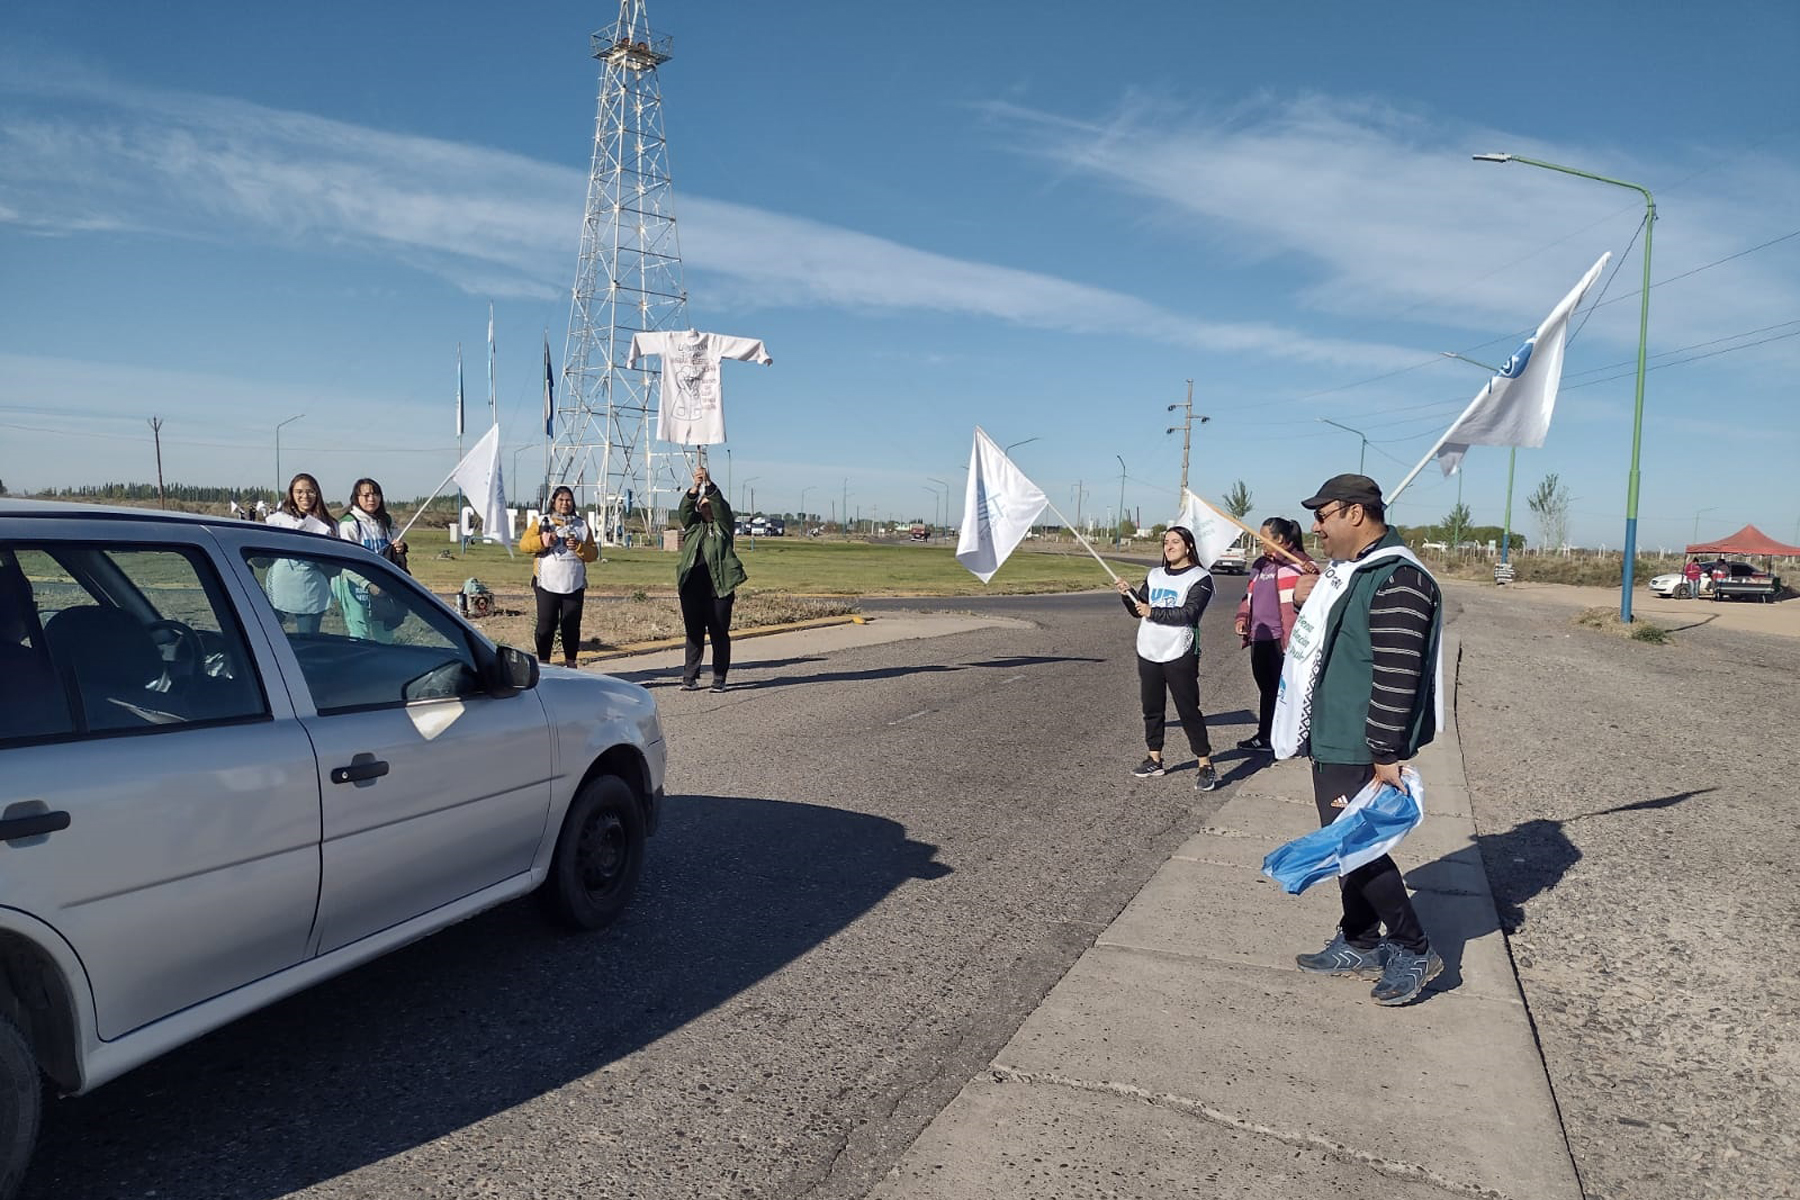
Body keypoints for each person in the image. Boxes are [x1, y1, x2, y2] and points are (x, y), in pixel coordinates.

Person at [1279, 474, 1444, 1007]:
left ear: (1354, 513)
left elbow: (1398, 673)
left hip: (1362, 743)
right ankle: (1358, 940)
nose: (1315, 527)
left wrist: (1384, 753)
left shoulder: (1397, 580)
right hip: (1335, 734)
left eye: (1322, 515)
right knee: (1349, 849)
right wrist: (1311, 598)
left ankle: (1414, 947)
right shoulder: (1352, 574)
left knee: (1360, 850)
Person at [1114, 525, 1219, 790]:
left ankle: (1205, 763)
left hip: (1179, 651)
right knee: (1151, 707)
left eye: (1175, 542)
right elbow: (1140, 610)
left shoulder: (1200, 578)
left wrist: (1153, 611)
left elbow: (1189, 613)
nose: (1169, 546)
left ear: (1188, 546)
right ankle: (1154, 757)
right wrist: (1128, 596)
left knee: (1187, 709)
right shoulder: (1155, 574)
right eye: (1165, 542)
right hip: (1149, 649)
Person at [1232, 518, 1314, 753]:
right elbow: (1248, 598)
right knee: (1267, 690)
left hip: (1284, 640)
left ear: (1280, 539)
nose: (1261, 542)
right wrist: (1242, 618)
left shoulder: (1300, 564)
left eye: (1264, 537)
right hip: (1260, 637)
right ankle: (1266, 737)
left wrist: (1312, 572)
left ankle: (1291, 738)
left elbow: (1316, 596)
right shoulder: (1259, 565)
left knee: (1286, 690)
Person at [676, 465, 746, 692]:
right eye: (702, 506)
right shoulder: (694, 527)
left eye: (709, 506)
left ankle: (719, 677)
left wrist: (709, 484)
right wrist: (695, 487)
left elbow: (722, 508)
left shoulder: (723, 527)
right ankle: (690, 677)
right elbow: (684, 510)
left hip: (719, 590)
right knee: (693, 634)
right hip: (692, 589)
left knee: (718, 633)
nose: (706, 509)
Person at [519, 486, 598, 668]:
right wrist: (543, 541)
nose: (565, 503)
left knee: (571, 625)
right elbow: (524, 545)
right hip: (546, 583)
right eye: (561, 500)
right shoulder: (541, 521)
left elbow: (593, 554)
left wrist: (578, 546)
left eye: (568, 500)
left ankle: (571, 663)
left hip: (574, 584)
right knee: (546, 625)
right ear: (553, 501)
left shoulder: (582, 525)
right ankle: (544, 664)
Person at [333, 478, 410, 643]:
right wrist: (368, 585)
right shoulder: (349, 523)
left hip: (383, 584)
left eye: (375, 494)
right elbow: (345, 562)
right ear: (356, 497)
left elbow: (396, 544)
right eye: (366, 495)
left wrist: (400, 548)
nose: (371, 499)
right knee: (360, 632)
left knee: (384, 632)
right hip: (356, 585)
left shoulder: (386, 521)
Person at [263, 473, 335, 633]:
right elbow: (260, 561)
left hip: (311, 591)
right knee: (269, 636)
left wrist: (325, 547)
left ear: (317, 494)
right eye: (299, 492)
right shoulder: (278, 520)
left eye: (310, 491)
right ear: (291, 494)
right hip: (279, 588)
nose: (305, 496)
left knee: (308, 642)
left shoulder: (328, 524)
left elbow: (334, 569)